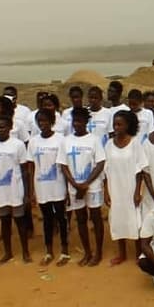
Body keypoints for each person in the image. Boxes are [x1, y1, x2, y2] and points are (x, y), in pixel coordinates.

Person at [58, 107, 106, 267]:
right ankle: (87, 252)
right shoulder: (66, 141)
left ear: (86, 122)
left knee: (96, 218)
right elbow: (63, 165)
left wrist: (86, 184)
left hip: (92, 186)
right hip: (75, 187)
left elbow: (100, 163)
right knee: (80, 219)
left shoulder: (94, 140)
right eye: (74, 121)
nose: (77, 124)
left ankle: (98, 252)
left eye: (80, 121)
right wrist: (74, 184)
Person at [104, 110, 149, 265]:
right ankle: (121, 253)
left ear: (127, 125)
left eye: (119, 124)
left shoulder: (135, 144)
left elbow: (140, 170)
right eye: (114, 124)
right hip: (115, 188)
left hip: (130, 188)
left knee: (134, 220)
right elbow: (106, 169)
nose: (116, 127)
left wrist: (137, 192)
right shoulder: (109, 145)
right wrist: (106, 192)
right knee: (118, 220)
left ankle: (138, 253)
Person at [27, 109, 70, 266]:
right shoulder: (33, 142)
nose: (42, 124)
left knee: (61, 218)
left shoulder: (60, 140)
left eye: (45, 121)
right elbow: (31, 167)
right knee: (46, 219)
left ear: (52, 122)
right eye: (39, 121)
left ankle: (65, 251)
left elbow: (64, 165)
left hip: (57, 185)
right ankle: (49, 251)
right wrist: (31, 190)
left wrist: (67, 188)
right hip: (41, 186)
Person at [0, 116, 31, 264]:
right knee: (5, 222)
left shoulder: (18, 145)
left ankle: (25, 252)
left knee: (19, 221)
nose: (0, 130)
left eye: (3, 127)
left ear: (10, 127)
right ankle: (8, 252)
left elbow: (25, 170)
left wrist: (26, 194)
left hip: (15, 189)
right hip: (0, 191)